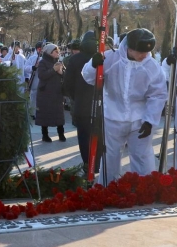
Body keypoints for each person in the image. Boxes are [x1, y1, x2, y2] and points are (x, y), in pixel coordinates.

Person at [82, 28, 166, 184]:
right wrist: (93, 65)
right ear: (130, 48)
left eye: (147, 52)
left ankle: (145, 188)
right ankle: (107, 188)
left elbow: (158, 95)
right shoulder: (109, 58)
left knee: (142, 155)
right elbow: (89, 78)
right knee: (111, 156)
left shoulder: (152, 66)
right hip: (112, 116)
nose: (145, 55)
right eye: (141, 52)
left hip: (140, 119)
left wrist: (150, 120)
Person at [63, 32, 97, 174]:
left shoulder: (75, 59)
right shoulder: (102, 57)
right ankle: (96, 163)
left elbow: (67, 84)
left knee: (84, 137)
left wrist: (75, 97)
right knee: (97, 136)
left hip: (82, 103)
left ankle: (88, 164)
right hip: (100, 103)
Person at [35, 44, 66, 142]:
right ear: (49, 52)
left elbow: (65, 75)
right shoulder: (43, 62)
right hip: (45, 93)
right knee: (45, 114)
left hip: (57, 93)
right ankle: (45, 135)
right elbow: (42, 75)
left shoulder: (59, 62)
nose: (58, 53)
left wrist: (61, 73)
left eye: (58, 51)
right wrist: (53, 70)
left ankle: (61, 134)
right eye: (56, 51)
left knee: (59, 114)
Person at [24, 41, 43, 120]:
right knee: (33, 97)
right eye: (40, 48)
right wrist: (33, 68)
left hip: (44, 81)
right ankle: (33, 113)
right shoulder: (32, 58)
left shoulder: (47, 57)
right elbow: (25, 68)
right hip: (35, 81)